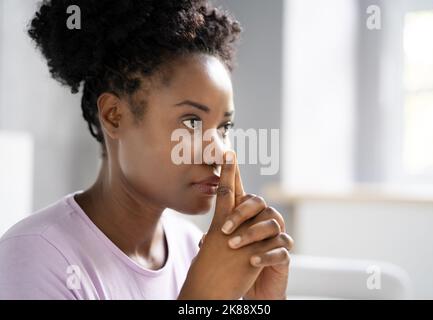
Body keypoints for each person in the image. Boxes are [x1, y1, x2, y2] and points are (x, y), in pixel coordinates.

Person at [0, 0, 293, 299]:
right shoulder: (35, 257)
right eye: (192, 122)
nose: (219, 153)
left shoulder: (196, 248)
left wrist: (261, 304)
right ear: (115, 115)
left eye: (224, 128)